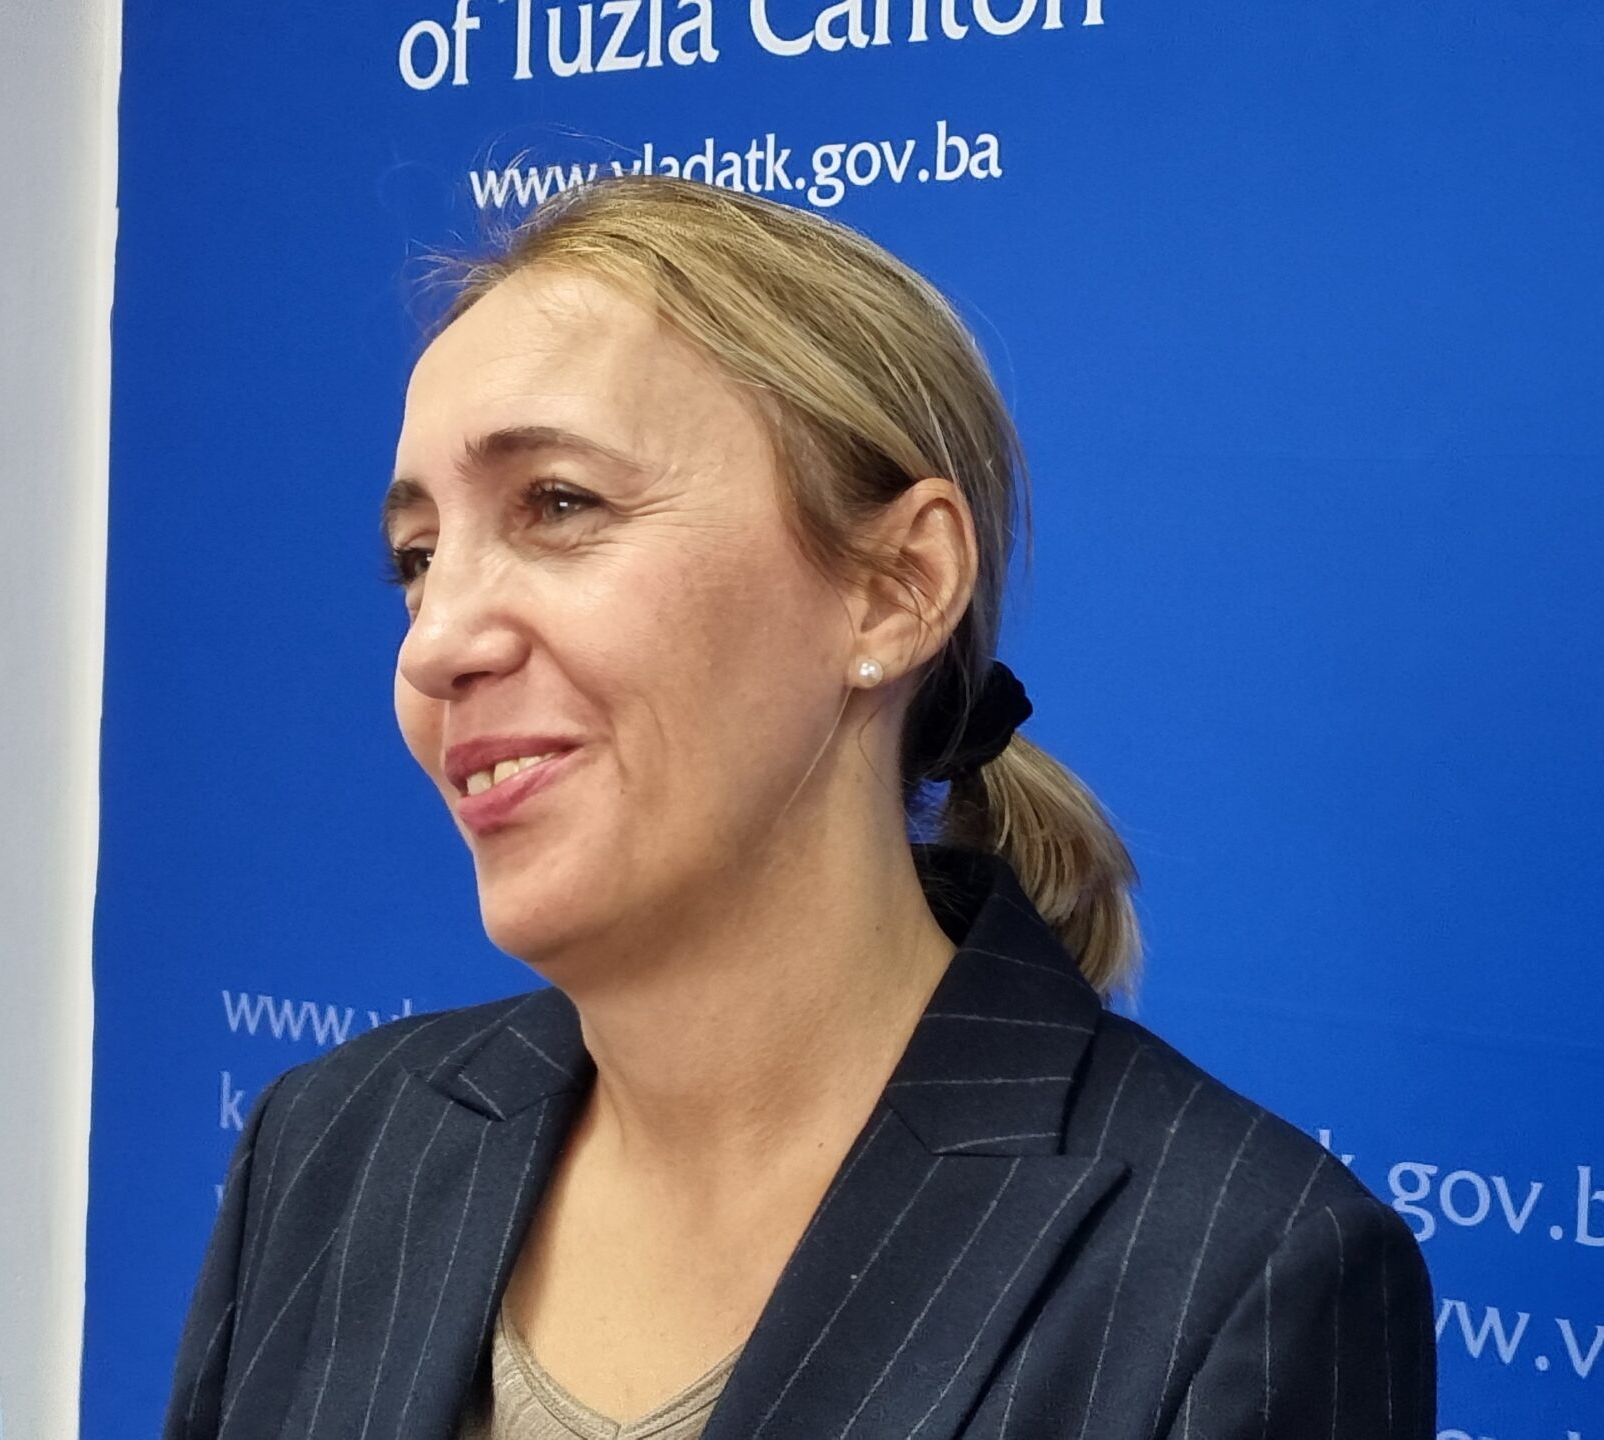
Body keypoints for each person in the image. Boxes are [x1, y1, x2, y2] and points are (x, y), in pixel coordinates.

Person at [165, 175, 1435, 1440]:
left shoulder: (1232, 1279)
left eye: (557, 503)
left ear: (896, 587)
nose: (435, 642)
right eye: (417, 558)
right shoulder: (328, 1148)